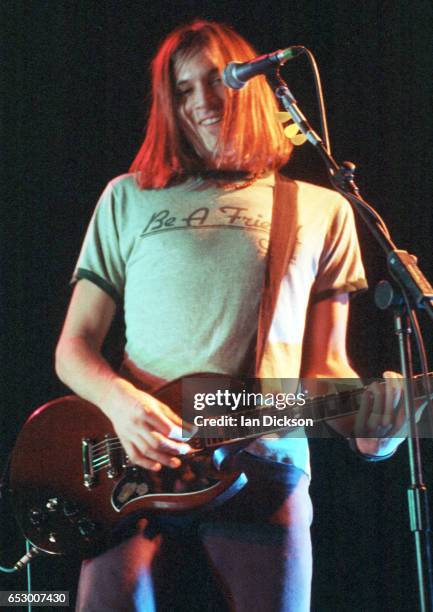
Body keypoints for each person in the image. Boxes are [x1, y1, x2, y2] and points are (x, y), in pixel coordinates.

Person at [55, 20, 409, 612]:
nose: (203, 102)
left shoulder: (320, 208)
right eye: (184, 90)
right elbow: (74, 347)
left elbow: (326, 370)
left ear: (256, 86)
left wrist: (378, 432)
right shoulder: (128, 196)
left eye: (218, 80)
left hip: (263, 465)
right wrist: (121, 403)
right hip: (134, 469)